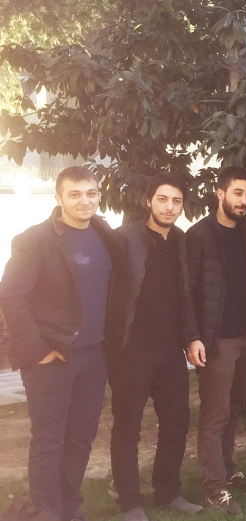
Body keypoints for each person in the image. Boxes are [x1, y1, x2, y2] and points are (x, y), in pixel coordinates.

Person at [0, 166, 124, 521]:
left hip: (94, 357)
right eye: (75, 194)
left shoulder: (104, 234)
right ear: (59, 198)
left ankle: (70, 509)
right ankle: (47, 512)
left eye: (91, 193)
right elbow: (11, 296)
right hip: (52, 359)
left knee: (81, 438)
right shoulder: (34, 240)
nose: (85, 201)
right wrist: (37, 350)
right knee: (49, 439)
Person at [107, 173, 202, 521]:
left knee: (177, 422)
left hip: (169, 350)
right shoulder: (124, 239)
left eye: (176, 201)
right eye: (162, 199)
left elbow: (187, 294)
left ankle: (167, 492)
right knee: (128, 427)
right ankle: (129, 502)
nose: (169, 207)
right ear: (148, 201)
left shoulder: (181, 240)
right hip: (131, 350)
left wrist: (191, 336)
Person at [186, 167, 246, 515]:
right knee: (214, 416)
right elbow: (186, 291)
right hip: (217, 342)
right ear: (220, 193)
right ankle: (214, 488)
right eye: (237, 193)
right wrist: (193, 337)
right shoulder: (199, 235)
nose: (244, 201)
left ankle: (228, 472)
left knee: (232, 410)